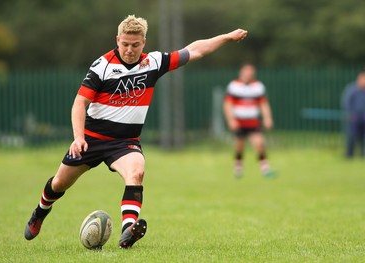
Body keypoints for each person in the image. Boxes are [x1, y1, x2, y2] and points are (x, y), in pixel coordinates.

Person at [24, 15, 248, 248]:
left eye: (135, 45)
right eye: (125, 44)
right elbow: (79, 103)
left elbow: (195, 50)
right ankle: (40, 212)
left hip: (124, 142)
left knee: (136, 173)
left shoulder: (153, 62)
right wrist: (78, 138)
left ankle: (128, 232)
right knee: (59, 183)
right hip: (91, 140)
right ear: (117, 40)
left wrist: (226, 37)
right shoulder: (103, 66)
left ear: (144, 42)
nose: (129, 50)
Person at [223, 64, 274, 178]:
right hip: (239, 122)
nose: (249, 75)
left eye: (251, 73)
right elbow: (228, 104)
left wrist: (267, 118)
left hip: (252, 121)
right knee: (239, 146)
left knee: (259, 143)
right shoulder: (234, 86)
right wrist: (231, 119)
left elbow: (263, 104)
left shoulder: (258, 86)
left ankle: (265, 169)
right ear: (241, 73)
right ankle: (238, 168)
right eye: (247, 72)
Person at [341, 70, 365, 158]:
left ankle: (362, 155)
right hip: (354, 117)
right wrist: (350, 113)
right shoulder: (352, 89)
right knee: (352, 136)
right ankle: (349, 155)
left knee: (363, 138)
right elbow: (346, 102)